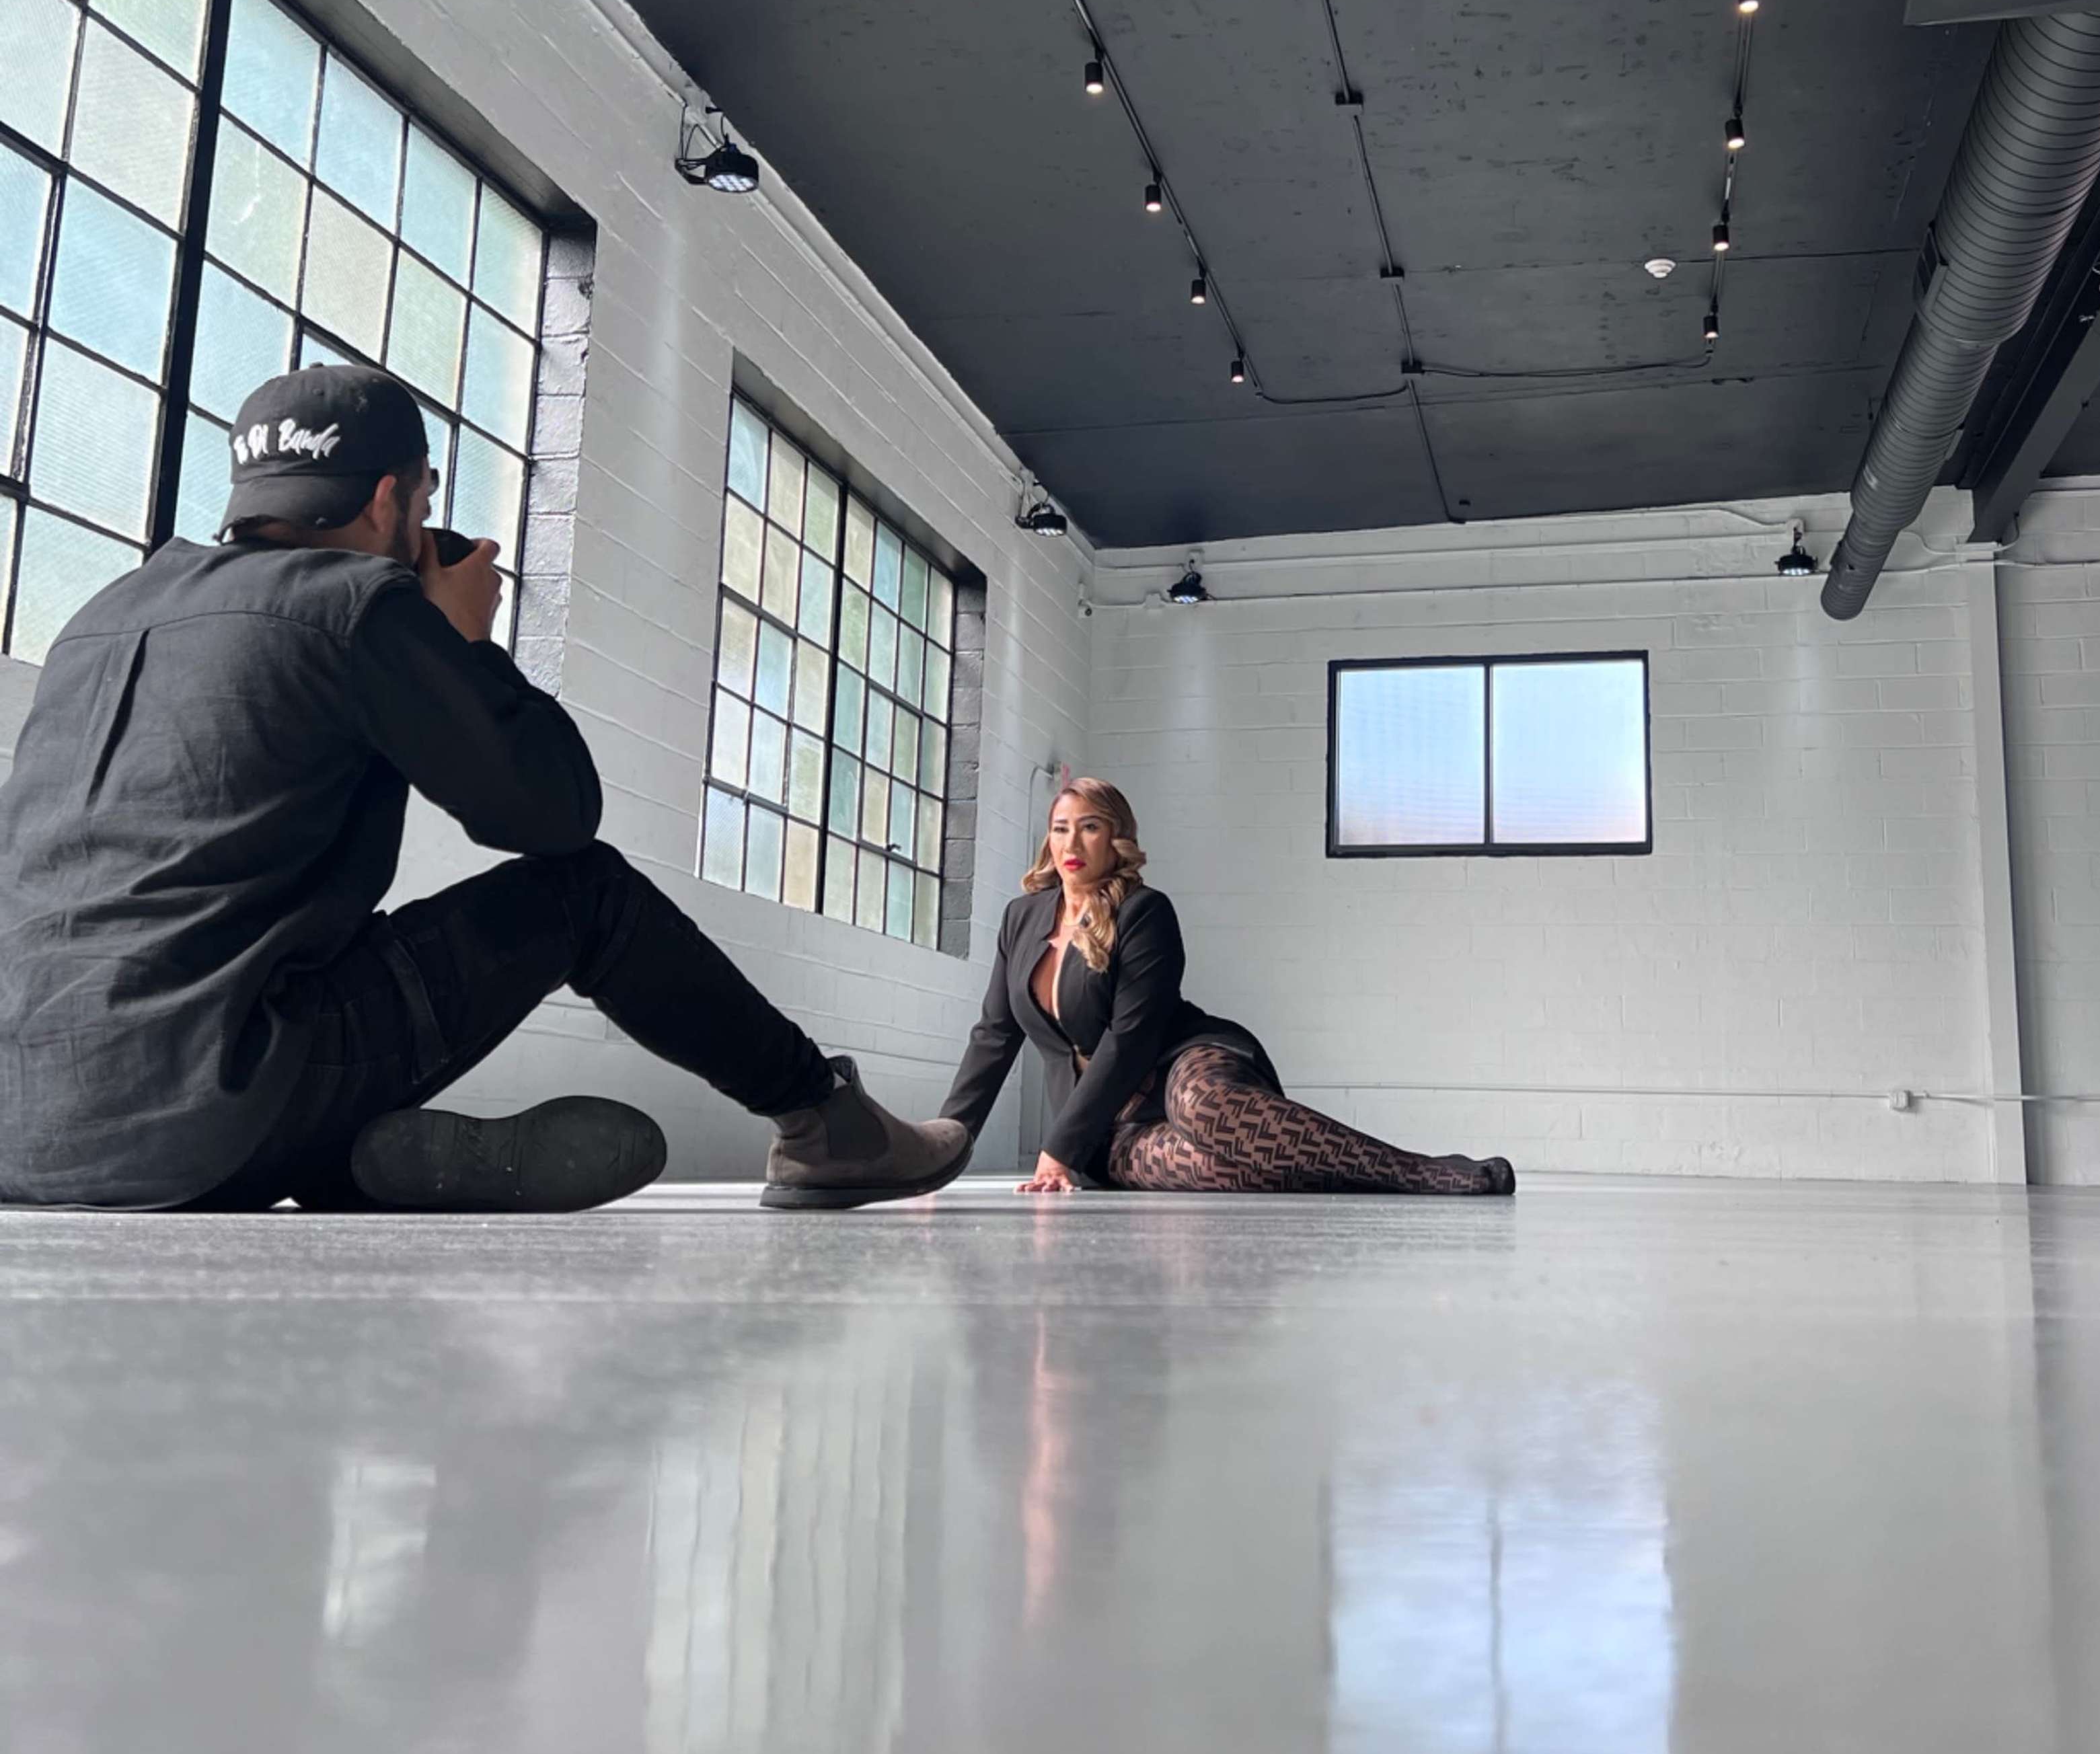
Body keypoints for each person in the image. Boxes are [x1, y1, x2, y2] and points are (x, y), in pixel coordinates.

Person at [0, 365, 970, 1216]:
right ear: (389, 501)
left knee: (291, 961)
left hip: (26, 1125)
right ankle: (825, 1127)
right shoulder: (356, 606)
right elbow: (554, 817)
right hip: (215, 1106)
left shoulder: (107, 611)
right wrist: (464, 644)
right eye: (422, 501)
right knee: (586, 892)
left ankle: (342, 1153)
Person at [934, 776, 1514, 1196]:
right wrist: (943, 1150)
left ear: (1117, 840)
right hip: (1110, 1123)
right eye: (1061, 829)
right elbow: (993, 1036)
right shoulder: (1021, 919)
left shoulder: (1144, 911)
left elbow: (1131, 1037)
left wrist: (1056, 1149)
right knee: (1228, 1168)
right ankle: (1353, 1177)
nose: (1072, 844)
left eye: (1090, 828)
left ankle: (1426, 1172)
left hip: (1180, 1061)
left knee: (1205, 1109)